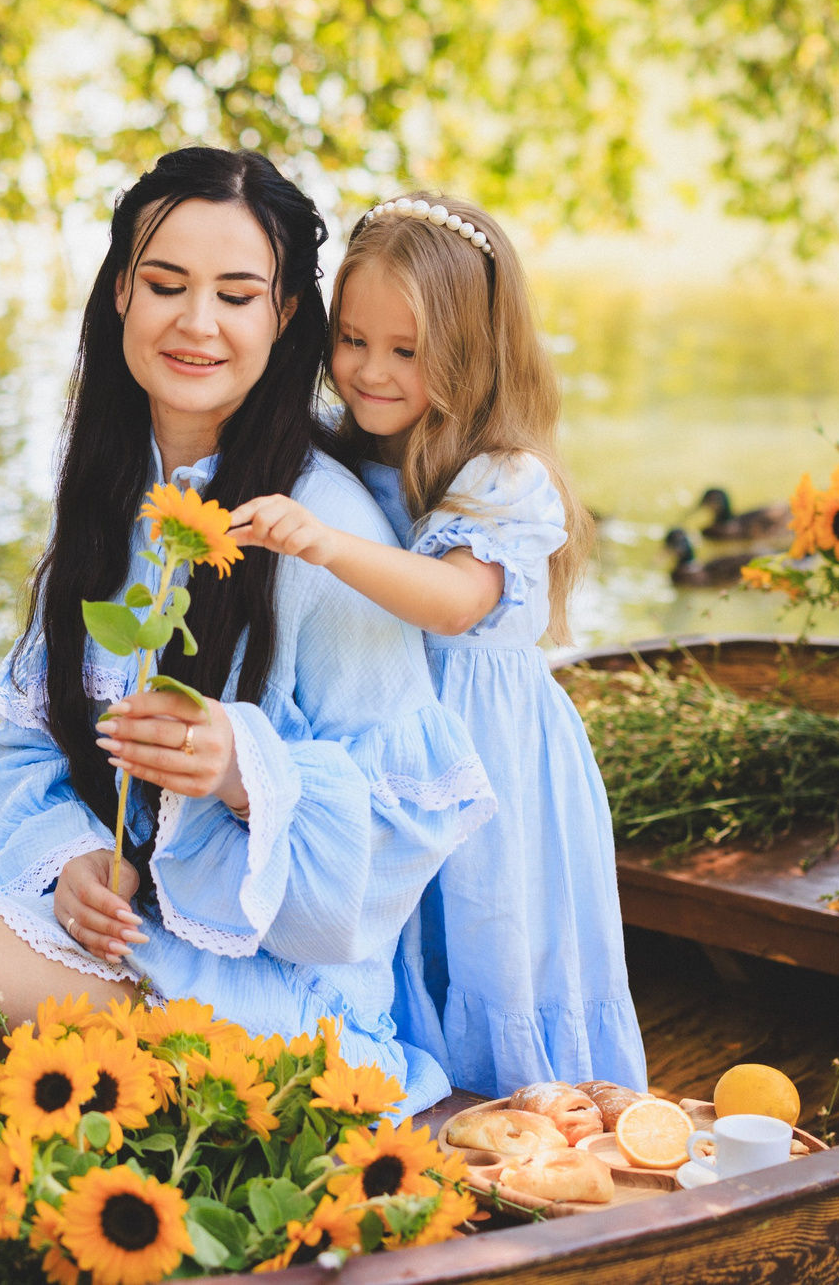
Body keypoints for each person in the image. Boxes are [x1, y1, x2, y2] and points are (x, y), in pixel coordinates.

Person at [0, 150, 494, 1270]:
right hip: (115, 933)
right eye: (164, 283)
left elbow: (400, 835)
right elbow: (30, 747)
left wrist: (241, 765)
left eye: (236, 294)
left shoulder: (318, 520)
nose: (194, 320)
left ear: (285, 313)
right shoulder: (115, 493)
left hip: (268, 982)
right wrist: (65, 856)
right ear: (119, 290)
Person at [228, 192, 648, 1096]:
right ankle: (428, 1115)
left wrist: (322, 540)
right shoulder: (348, 459)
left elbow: (456, 602)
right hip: (390, 748)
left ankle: (541, 1129)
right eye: (353, 340)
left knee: (497, 942)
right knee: (406, 940)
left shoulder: (505, 475)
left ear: (466, 353)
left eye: (406, 352)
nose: (370, 372)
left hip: (495, 764)